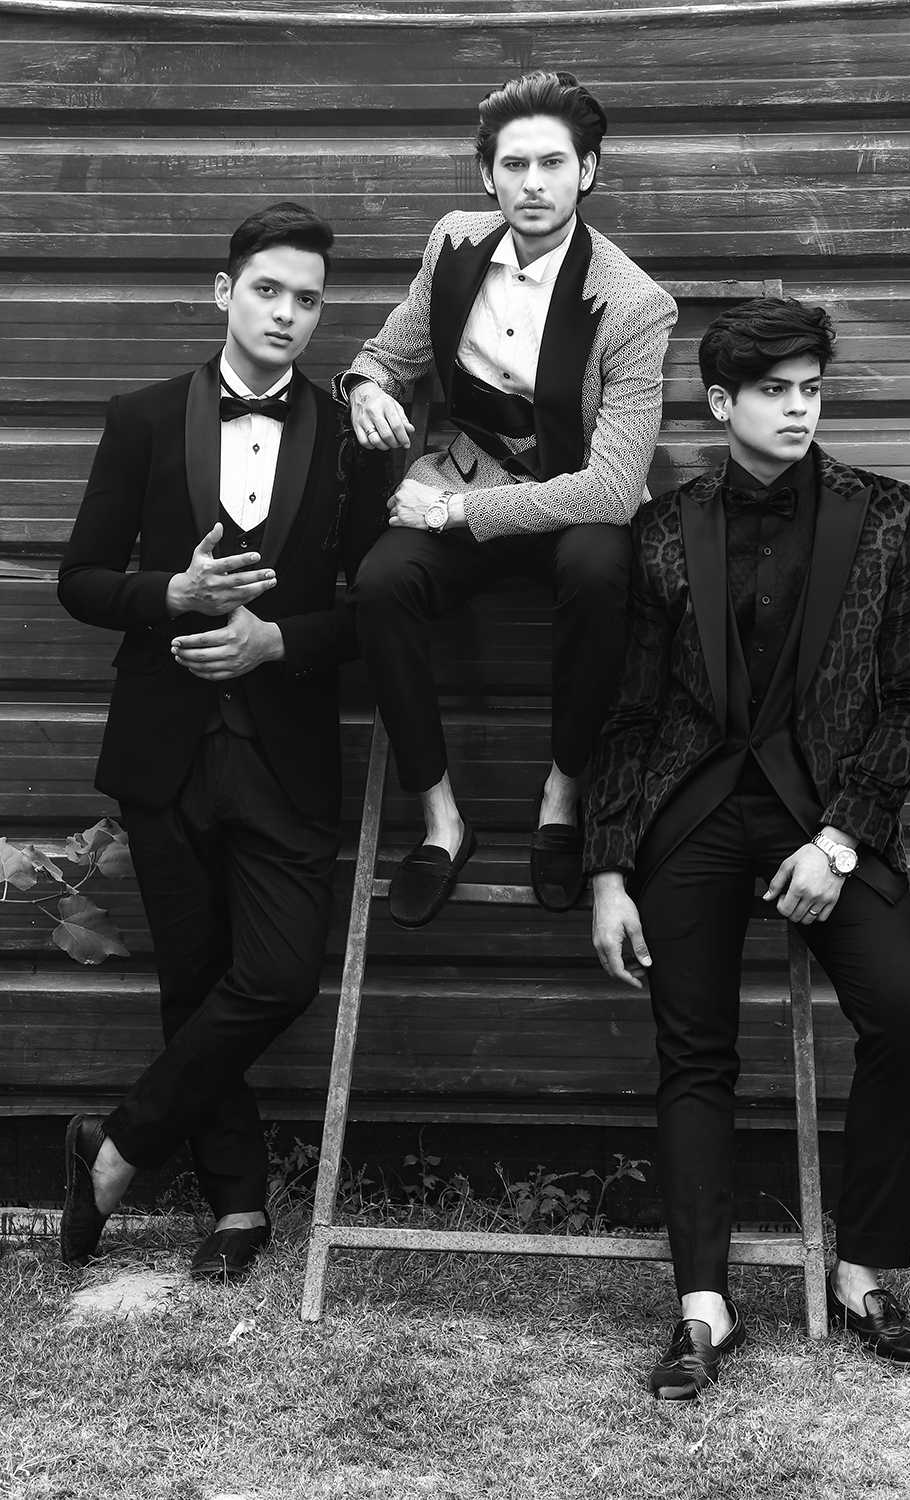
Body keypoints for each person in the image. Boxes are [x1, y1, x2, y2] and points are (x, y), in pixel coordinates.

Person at [587, 297, 910, 1397]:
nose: (799, 409)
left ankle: (865, 1270)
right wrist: (608, 869)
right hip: (693, 809)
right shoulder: (662, 528)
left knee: (907, 1016)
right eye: (774, 392)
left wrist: (841, 841)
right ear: (720, 403)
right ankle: (703, 1306)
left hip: (828, 812)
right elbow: (629, 712)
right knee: (694, 1051)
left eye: (811, 390)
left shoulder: (890, 517)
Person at [57, 202, 389, 1279]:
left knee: (280, 975)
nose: (287, 313)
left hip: (285, 747)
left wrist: (277, 638)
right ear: (224, 292)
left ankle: (115, 1148)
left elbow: (377, 611)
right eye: (267, 290)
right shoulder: (144, 417)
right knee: (193, 982)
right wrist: (173, 593)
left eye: (307, 299)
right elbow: (81, 579)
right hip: (163, 747)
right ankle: (238, 1206)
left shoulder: (348, 438)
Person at [335, 70, 677, 928]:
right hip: (467, 470)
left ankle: (563, 795)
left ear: (587, 171)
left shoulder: (634, 304)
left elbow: (610, 488)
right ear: (487, 174)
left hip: (573, 501)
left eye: (553, 163)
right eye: (514, 164)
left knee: (602, 571)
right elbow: (385, 356)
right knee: (379, 584)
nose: (533, 183)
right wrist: (364, 390)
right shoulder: (453, 243)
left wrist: (456, 515)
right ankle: (442, 819)